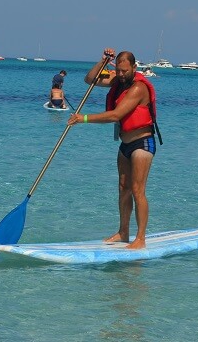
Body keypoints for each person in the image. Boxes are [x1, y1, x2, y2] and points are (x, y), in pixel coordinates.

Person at [68, 48, 160, 249]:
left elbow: (116, 115)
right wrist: (102, 61)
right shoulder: (118, 80)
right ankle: (123, 232)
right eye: (118, 70)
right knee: (123, 188)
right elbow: (90, 79)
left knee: (137, 190)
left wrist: (82, 118)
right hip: (125, 144)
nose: (121, 74)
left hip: (142, 143)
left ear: (134, 68)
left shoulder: (137, 88)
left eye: (125, 71)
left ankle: (141, 238)